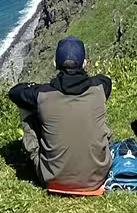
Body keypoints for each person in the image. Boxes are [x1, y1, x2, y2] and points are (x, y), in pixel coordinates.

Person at [8, 36, 113, 191]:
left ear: (55, 64)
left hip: (53, 179)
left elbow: (15, 92)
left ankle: (41, 150)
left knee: (26, 105)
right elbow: (105, 80)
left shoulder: (42, 94)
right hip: (99, 176)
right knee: (94, 105)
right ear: (85, 63)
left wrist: (33, 87)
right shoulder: (99, 87)